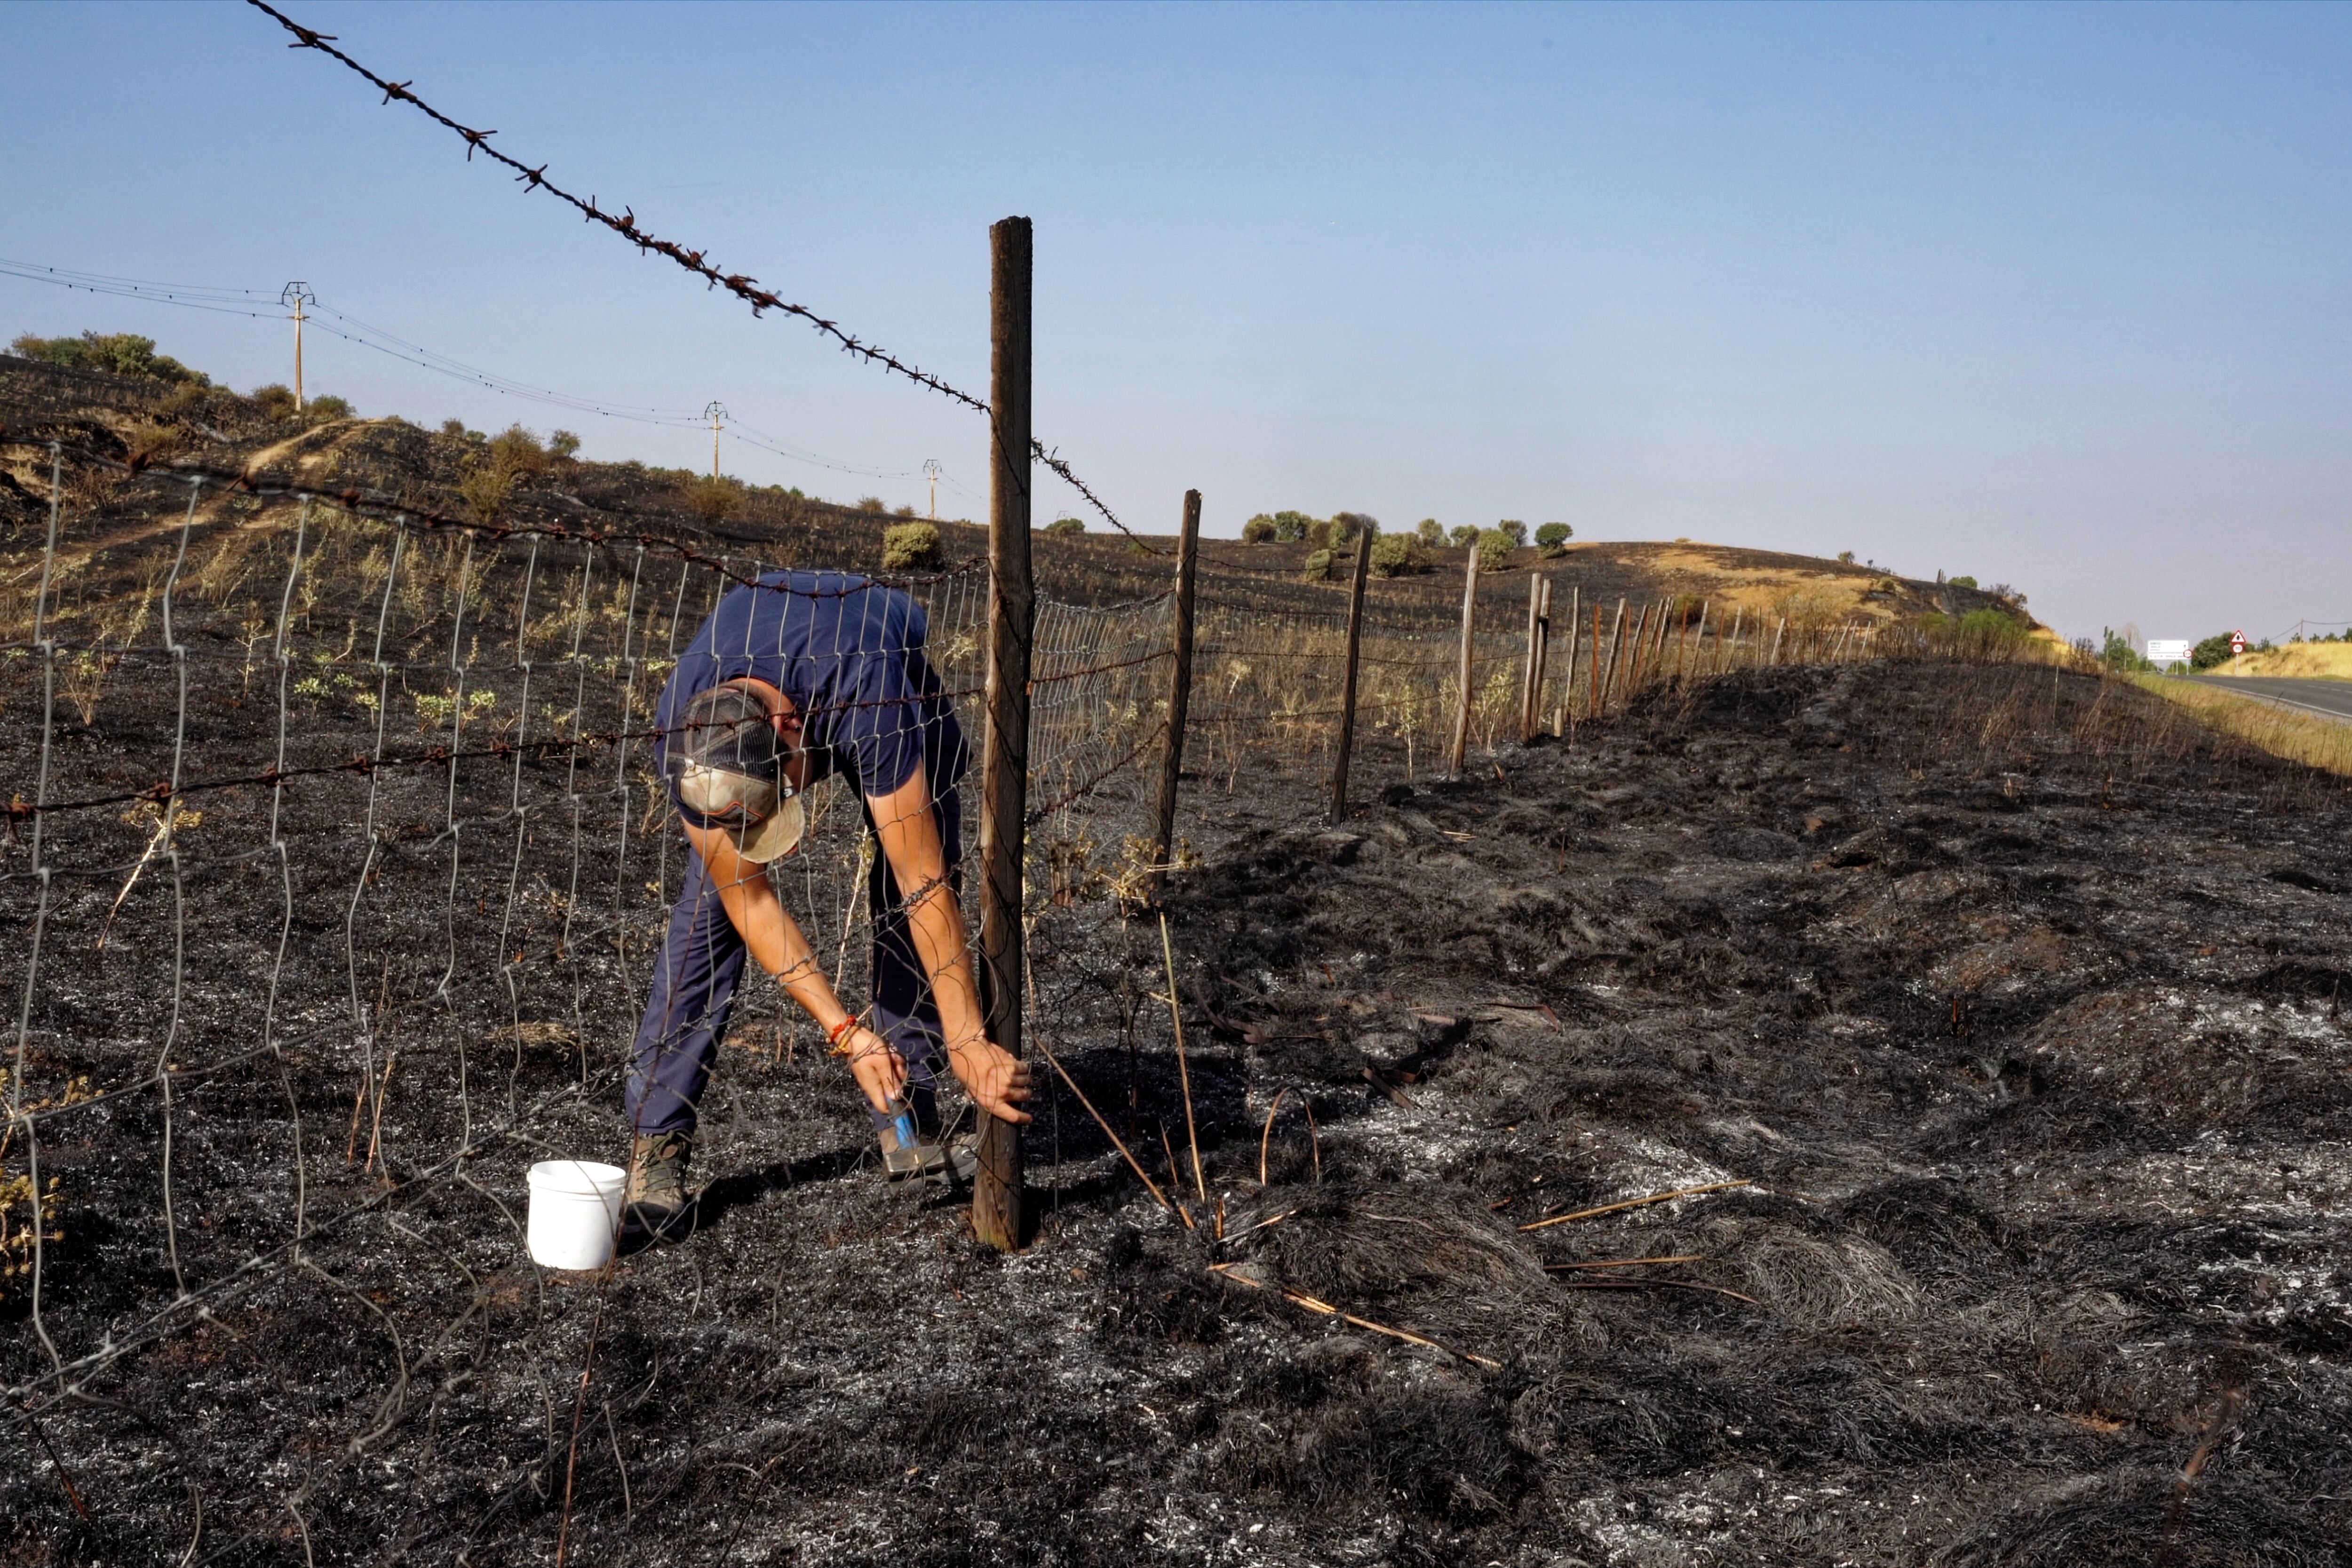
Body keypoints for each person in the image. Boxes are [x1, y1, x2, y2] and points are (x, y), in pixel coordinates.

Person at [622, 568, 1031, 1235]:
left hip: (874, 656)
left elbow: (922, 880)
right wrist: (846, 1032)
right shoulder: (686, 741)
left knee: (918, 859)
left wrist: (968, 1036)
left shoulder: (874, 696)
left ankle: (911, 1103)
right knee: (709, 905)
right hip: (786, 659)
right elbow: (748, 901)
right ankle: (656, 1145)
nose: (789, 811)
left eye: (783, 792)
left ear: (787, 726)